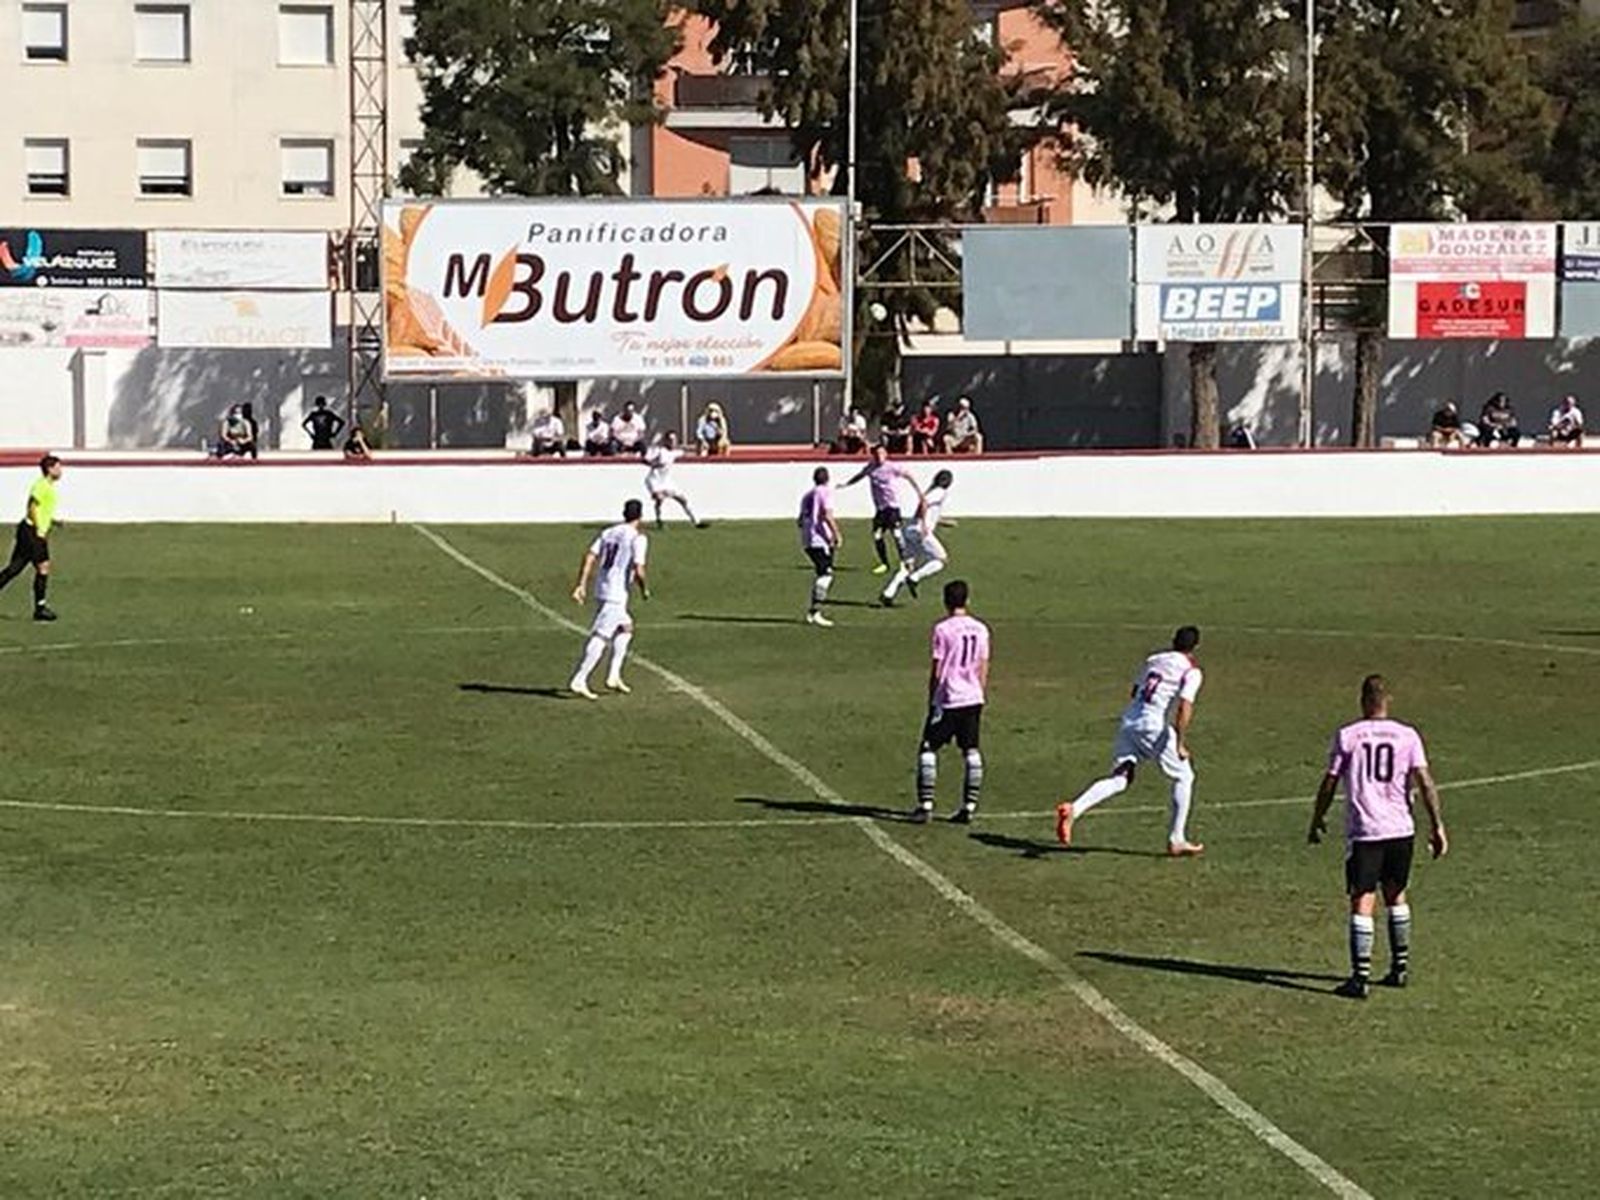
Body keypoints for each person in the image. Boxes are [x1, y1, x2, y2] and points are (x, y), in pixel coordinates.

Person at [1308, 674, 1447, 1000]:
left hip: (1366, 830)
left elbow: (1330, 781)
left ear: (1362, 700)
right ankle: (1399, 969)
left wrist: (1317, 817)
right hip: (1401, 829)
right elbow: (1425, 781)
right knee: (1396, 894)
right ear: (1388, 700)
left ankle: (1360, 977)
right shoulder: (1407, 735)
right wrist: (1437, 824)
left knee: (1363, 898)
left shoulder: (1348, 736)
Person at [1054, 626, 1207, 857]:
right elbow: (1185, 706)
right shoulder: (1191, 671)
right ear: (1195, 647)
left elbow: (1135, 690)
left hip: (1129, 722)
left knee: (1120, 778)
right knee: (1184, 776)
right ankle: (1177, 839)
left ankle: (1075, 809)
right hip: (1153, 726)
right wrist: (1180, 743)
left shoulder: (1153, 659)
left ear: (1173, 641)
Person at [912, 579, 991, 824]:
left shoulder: (943, 629)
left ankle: (925, 805)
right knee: (971, 750)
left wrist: (932, 696)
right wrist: (980, 692)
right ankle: (969, 807)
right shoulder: (981, 629)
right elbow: (983, 664)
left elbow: (937, 668)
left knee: (928, 749)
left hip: (948, 698)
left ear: (945, 601)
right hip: (973, 697)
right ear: (967, 600)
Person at [568, 498, 649, 699]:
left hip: (602, 588)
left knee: (626, 628)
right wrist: (644, 589)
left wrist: (582, 584)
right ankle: (580, 678)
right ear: (640, 516)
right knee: (602, 636)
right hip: (615, 594)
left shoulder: (608, 532)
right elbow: (639, 569)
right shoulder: (637, 538)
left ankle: (613, 675)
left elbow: (590, 556)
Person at [842, 443, 924, 576]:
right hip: (880, 509)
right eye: (877, 454)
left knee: (897, 535)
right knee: (877, 535)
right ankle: (884, 563)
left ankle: (906, 562)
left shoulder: (892, 467)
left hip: (892, 507)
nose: (879, 456)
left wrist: (919, 492)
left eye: (882, 453)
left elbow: (908, 475)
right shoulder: (871, 468)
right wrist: (846, 484)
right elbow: (860, 475)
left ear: (886, 454)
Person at [0, 454, 63, 621]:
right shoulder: (41, 485)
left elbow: (42, 509)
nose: (60, 470)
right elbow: (32, 506)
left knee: (15, 568)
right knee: (43, 567)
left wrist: (53, 521)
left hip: (29, 530)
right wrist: (37, 528)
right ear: (49, 469)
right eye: (58, 467)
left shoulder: (48, 487)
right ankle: (40, 608)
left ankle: (40, 608)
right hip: (32, 532)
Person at [881, 468, 952, 605]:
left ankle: (888, 593)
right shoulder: (940, 492)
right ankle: (915, 578)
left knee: (908, 565)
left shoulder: (932, 490)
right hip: (921, 532)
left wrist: (942, 521)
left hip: (910, 530)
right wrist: (924, 524)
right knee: (942, 559)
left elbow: (926, 510)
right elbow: (924, 503)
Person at [797, 466, 841, 627]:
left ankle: (814, 610)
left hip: (808, 540)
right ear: (827, 478)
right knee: (826, 575)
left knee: (822, 573)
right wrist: (836, 534)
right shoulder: (825, 493)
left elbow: (800, 520)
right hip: (819, 539)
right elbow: (827, 515)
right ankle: (814, 611)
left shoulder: (807, 495)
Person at [644, 432, 705, 529]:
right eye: (671, 440)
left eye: (675, 440)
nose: (673, 442)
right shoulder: (659, 451)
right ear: (666, 441)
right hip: (654, 480)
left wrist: (698, 447)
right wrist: (654, 463)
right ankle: (660, 521)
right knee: (660, 499)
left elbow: (688, 452)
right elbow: (645, 460)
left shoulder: (674, 452)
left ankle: (697, 522)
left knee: (683, 500)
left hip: (666, 481)